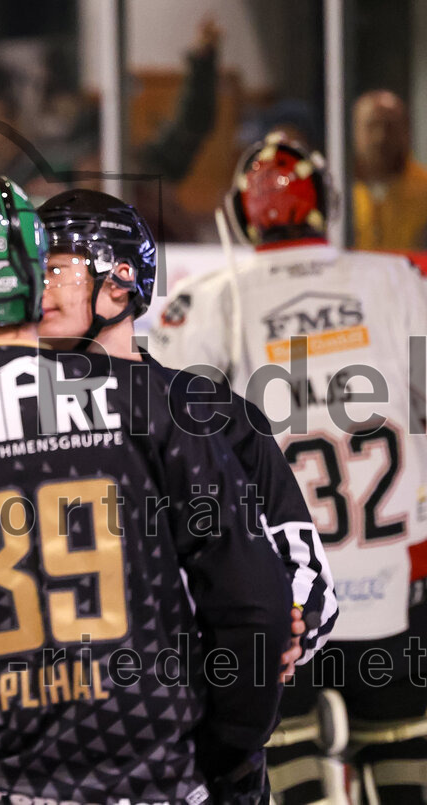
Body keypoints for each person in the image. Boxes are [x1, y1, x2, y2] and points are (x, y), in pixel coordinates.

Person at [0, 176, 293, 804]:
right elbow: (254, 610)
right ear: (34, 282)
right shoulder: (158, 406)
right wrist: (218, 753)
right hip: (143, 782)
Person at [150, 132, 427, 803]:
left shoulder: (210, 298)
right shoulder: (397, 279)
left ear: (243, 215)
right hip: (395, 581)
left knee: (287, 765)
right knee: (405, 768)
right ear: (325, 204)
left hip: (279, 594)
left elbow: (173, 448)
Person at [34, 187, 337, 676]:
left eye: (53, 269)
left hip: (180, 717)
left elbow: (306, 573)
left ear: (120, 280)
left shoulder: (213, 415)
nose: (37, 288)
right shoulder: (2, 411)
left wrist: (289, 628)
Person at [352, 90, 427, 251]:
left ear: (406, 132)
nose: (381, 137)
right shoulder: (336, 191)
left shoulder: (424, 189)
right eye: (372, 125)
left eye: (390, 126)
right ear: (356, 131)